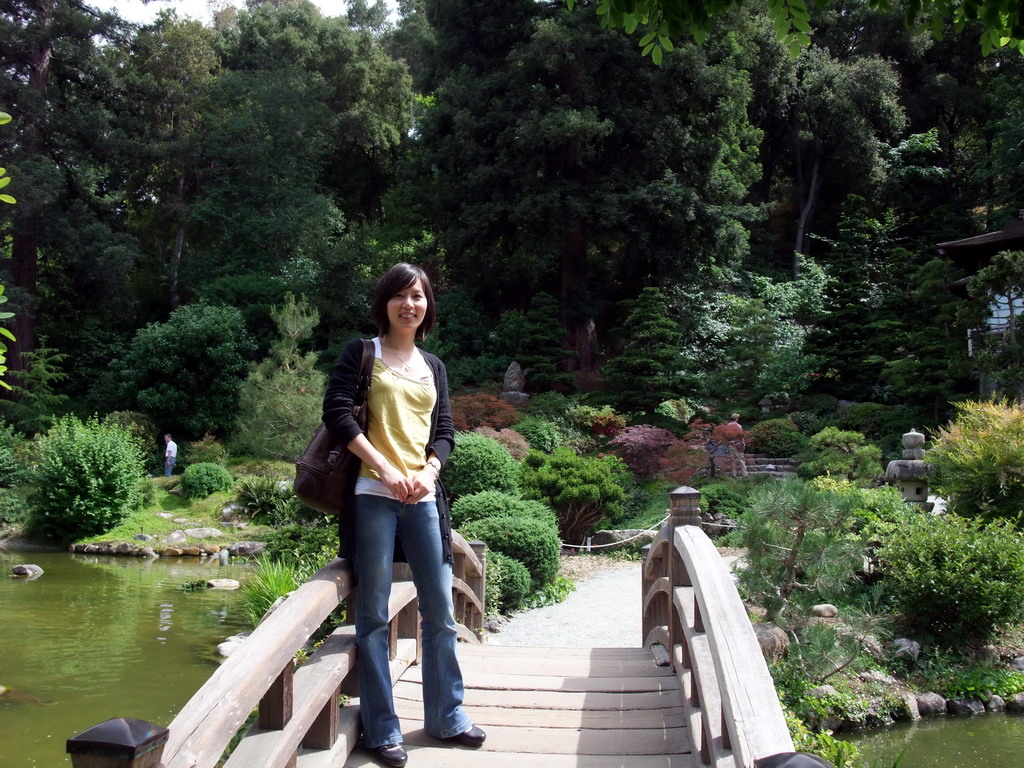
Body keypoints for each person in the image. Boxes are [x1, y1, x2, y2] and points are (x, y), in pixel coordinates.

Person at [322, 263, 485, 768]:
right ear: (384, 303)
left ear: (427, 305)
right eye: (399, 296)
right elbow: (337, 412)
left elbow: (446, 430)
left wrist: (430, 471)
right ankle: (382, 728)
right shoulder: (362, 353)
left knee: (440, 610)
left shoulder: (432, 366)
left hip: (424, 498)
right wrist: (387, 470)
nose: (409, 304)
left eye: (417, 296)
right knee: (372, 615)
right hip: (373, 494)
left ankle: (446, 717)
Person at [723, 414, 748, 478]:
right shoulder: (738, 426)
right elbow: (741, 436)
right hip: (737, 444)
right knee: (741, 459)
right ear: (736, 418)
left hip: (730, 444)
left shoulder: (727, 426)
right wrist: (743, 444)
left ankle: (734, 475)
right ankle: (745, 474)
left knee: (732, 460)